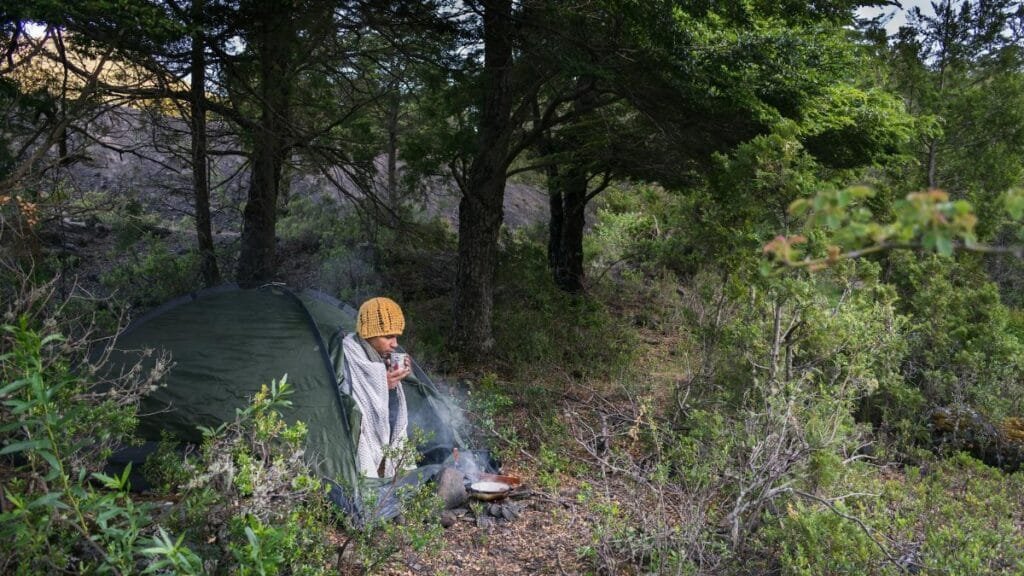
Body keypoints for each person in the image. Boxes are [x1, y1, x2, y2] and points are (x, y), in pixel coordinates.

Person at [342, 296, 414, 478]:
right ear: (368, 333)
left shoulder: (381, 357)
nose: (395, 344)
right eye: (388, 336)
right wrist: (384, 384)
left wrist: (394, 381)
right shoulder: (349, 356)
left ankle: (390, 473)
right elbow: (353, 406)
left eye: (396, 336)